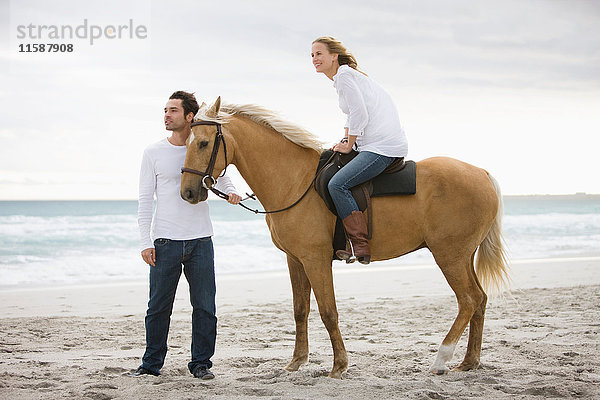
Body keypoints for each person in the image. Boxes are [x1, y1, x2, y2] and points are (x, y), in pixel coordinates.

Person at [130, 91, 241, 380]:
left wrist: (230, 192)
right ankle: (151, 364)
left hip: (201, 240)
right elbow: (145, 200)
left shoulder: (200, 146)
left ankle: (201, 364)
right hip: (165, 241)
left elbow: (220, 174)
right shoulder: (153, 152)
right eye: (165, 110)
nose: (167, 115)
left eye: (173, 110)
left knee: (205, 306)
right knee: (157, 308)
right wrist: (145, 242)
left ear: (189, 117)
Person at [311, 36, 408, 265]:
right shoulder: (343, 78)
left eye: (319, 54)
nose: (315, 59)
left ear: (334, 55)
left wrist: (348, 142)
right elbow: (351, 115)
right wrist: (345, 140)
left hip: (381, 146)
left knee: (337, 184)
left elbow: (360, 115)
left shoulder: (344, 76)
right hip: (369, 142)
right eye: (312, 55)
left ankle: (359, 244)